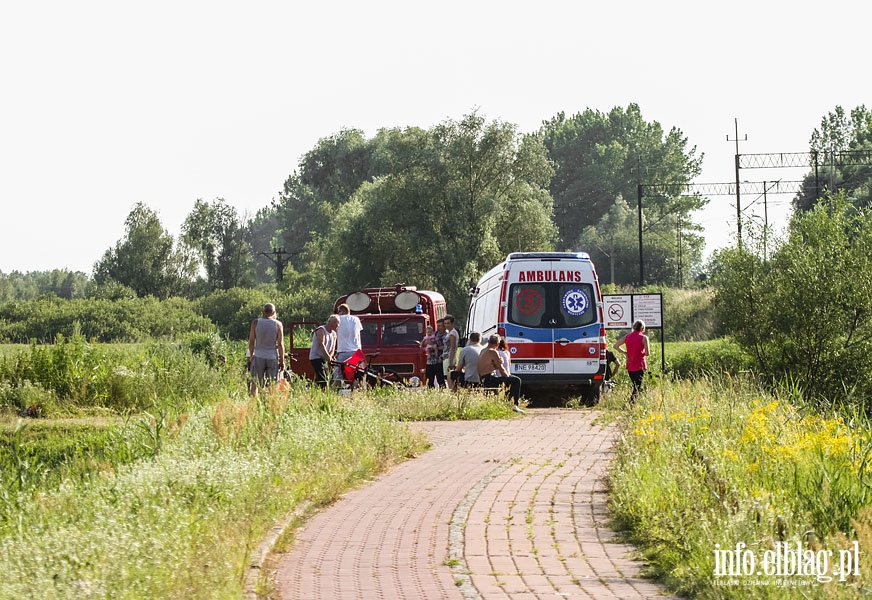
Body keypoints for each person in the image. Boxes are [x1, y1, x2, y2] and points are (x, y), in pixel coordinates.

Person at [478, 334, 524, 413]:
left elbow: (490, 366)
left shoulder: (483, 350)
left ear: (488, 341)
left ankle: (508, 402)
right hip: (489, 379)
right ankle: (514, 405)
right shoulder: (493, 352)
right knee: (516, 380)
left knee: (510, 379)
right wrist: (507, 376)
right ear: (498, 344)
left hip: (483, 378)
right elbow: (501, 369)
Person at [248, 303, 285, 395]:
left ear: (263, 312)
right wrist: (282, 360)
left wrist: (251, 355)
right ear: (274, 312)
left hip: (259, 355)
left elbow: (252, 341)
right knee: (272, 383)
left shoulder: (256, 323)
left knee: (255, 382)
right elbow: (280, 344)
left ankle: (253, 402)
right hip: (272, 356)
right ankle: (272, 402)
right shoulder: (278, 324)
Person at [614, 320, 650, 401]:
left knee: (635, 385)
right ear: (643, 328)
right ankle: (631, 403)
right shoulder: (644, 338)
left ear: (633, 327)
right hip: (640, 365)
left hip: (630, 365)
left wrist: (625, 353)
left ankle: (635, 402)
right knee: (637, 386)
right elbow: (647, 353)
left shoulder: (627, 337)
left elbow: (616, 346)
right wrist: (641, 352)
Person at [335, 303, 363, 383]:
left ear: (341, 312)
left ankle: (339, 391)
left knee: (339, 372)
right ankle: (356, 390)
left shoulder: (339, 319)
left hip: (343, 351)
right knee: (356, 373)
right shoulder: (356, 319)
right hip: (357, 352)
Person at [309, 314, 339, 388]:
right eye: (337, 323)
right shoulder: (321, 330)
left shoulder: (334, 334)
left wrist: (330, 357)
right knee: (323, 378)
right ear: (330, 322)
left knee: (326, 377)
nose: (338, 325)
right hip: (316, 357)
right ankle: (322, 391)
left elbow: (333, 347)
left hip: (324, 358)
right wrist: (328, 358)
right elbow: (321, 344)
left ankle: (314, 390)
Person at [443, 315, 460, 390]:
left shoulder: (453, 333)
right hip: (446, 356)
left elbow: (453, 348)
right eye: (445, 323)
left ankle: (452, 391)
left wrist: (451, 362)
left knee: (449, 377)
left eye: (448, 323)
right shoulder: (448, 332)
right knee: (447, 377)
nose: (446, 325)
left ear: (452, 324)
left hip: (449, 357)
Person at [432, 318, 447, 388]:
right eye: (437, 326)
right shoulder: (435, 334)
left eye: (440, 326)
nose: (438, 328)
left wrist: (436, 348)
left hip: (443, 359)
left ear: (444, 326)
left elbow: (446, 347)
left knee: (443, 376)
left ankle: (443, 389)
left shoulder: (446, 335)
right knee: (436, 376)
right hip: (435, 359)